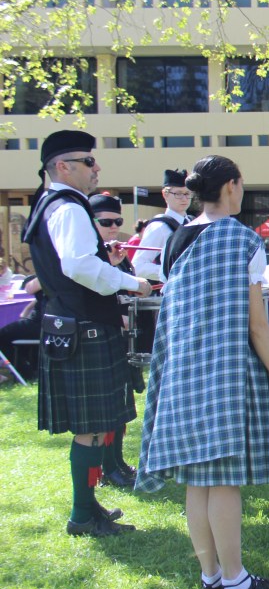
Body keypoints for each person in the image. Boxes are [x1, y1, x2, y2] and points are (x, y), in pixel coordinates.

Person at [136, 155, 269, 589]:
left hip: (181, 369)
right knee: (224, 480)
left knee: (197, 481)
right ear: (231, 185)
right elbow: (258, 326)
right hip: (226, 370)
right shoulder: (243, 239)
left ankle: (210, 574)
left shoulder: (176, 238)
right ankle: (234, 578)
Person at [21, 129, 153, 537]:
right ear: (63, 166)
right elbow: (78, 265)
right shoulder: (68, 207)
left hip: (72, 324)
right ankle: (81, 515)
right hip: (86, 328)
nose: (97, 168)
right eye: (89, 161)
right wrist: (130, 282)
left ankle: (88, 506)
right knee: (92, 428)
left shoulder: (50, 203)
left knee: (94, 427)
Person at [88, 192, 138, 488]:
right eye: (106, 222)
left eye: (118, 221)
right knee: (107, 408)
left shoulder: (115, 253)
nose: (114, 227)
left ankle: (116, 461)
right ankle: (106, 468)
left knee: (122, 404)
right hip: (97, 334)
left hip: (119, 334)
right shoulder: (89, 255)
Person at [131, 168, 193, 282]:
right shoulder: (159, 227)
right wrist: (171, 271)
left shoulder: (192, 222)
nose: (184, 198)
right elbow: (138, 266)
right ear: (165, 194)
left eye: (187, 193)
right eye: (178, 194)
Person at [0, 275, 43, 383]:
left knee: (2, 336)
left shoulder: (49, 273)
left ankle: (26, 374)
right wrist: (27, 309)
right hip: (48, 321)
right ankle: (28, 371)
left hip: (40, 322)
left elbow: (29, 288)